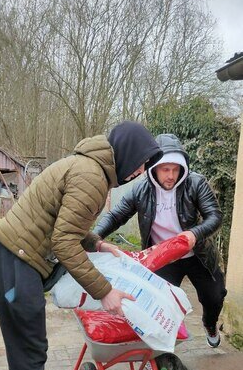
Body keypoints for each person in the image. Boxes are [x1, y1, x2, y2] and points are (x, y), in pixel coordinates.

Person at [0, 121, 162, 370]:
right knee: (29, 347)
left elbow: (66, 225)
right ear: (128, 153)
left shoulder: (90, 167)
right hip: (17, 260)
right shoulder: (92, 176)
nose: (141, 171)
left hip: (16, 256)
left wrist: (99, 243)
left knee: (28, 347)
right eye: (142, 162)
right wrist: (106, 292)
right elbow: (63, 241)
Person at [94, 133, 227, 350]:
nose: (171, 175)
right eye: (166, 169)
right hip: (163, 258)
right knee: (155, 307)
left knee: (215, 296)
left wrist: (195, 233)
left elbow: (215, 216)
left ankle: (209, 324)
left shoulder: (196, 183)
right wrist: (95, 238)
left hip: (197, 255)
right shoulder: (141, 189)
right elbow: (116, 216)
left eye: (176, 169)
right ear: (154, 168)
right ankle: (154, 351)